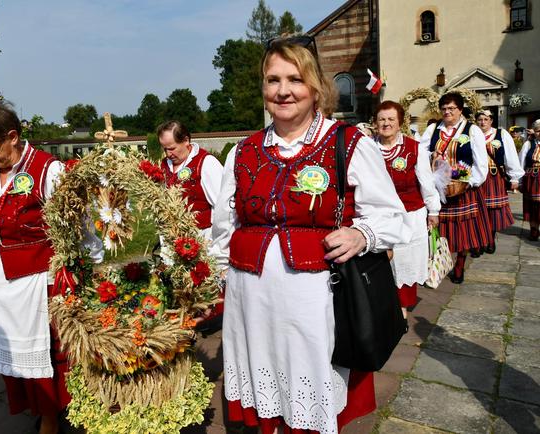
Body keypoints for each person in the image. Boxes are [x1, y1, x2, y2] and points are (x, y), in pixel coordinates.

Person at [210, 35, 409, 434]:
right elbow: (223, 228)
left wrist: (359, 235)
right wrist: (216, 277)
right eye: (272, 80)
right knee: (266, 405)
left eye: (295, 79)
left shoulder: (347, 143)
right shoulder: (243, 151)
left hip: (315, 304)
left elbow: (392, 216)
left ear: (316, 86)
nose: (283, 91)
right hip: (251, 303)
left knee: (308, 408)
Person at [0, 102, 102, 434]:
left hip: (37, 281)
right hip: (0, 283)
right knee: (16, 357)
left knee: (47, 353)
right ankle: (35, 407)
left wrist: (89, 266)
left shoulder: (48, 170)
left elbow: (82, 222)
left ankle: (51, 417)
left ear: (13, 137)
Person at [374, 100, 441, 317]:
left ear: (400, 122)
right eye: (382, 119)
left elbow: (426, 182)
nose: (386, 123)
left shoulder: (414, 148)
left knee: (404, 265)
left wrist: (433, 211)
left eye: (391, 119)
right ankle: (382, 308)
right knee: (381, 264)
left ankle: (401, 312)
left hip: (409, 216)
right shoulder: (367, 148)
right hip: (378, 216)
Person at [420, 92, 490, 284]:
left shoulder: (472, 130)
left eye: (451, 108)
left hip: (462, 188)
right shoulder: (433, 129)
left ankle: (460, 263)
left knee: (463, 231)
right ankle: (440, 262)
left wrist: (470, 182)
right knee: (439, 230)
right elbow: (420, 152)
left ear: (460, 110)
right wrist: (430, 159)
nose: (447, 112)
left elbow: (480, 162)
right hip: (437, 189)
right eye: (444, 108)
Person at [158, 120, 223, 242]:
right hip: (172, 240)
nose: (168, 154)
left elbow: (223, 206)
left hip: (203, 239)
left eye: (172, 148)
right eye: (164, 149)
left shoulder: (206, 162)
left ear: (186, 140)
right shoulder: (163, 165)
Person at [475, 110, 524, 252]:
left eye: (485, 119)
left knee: (492, 210)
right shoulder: (473, 135)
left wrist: (514, 176)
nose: (482, 122)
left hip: (494, 176)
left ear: (491, 121)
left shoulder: (501, 135)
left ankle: (490, 239)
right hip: (478, 177)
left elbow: (510, 155)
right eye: (480, 119)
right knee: (477, 210)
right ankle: (479, 242)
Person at [518, 119, 540, 241]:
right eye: (537, 131)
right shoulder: (528, 144)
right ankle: (534, 229)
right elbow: (521, 163)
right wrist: (520, 180)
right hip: (533, 177)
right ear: (533, 132)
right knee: (533, 205)